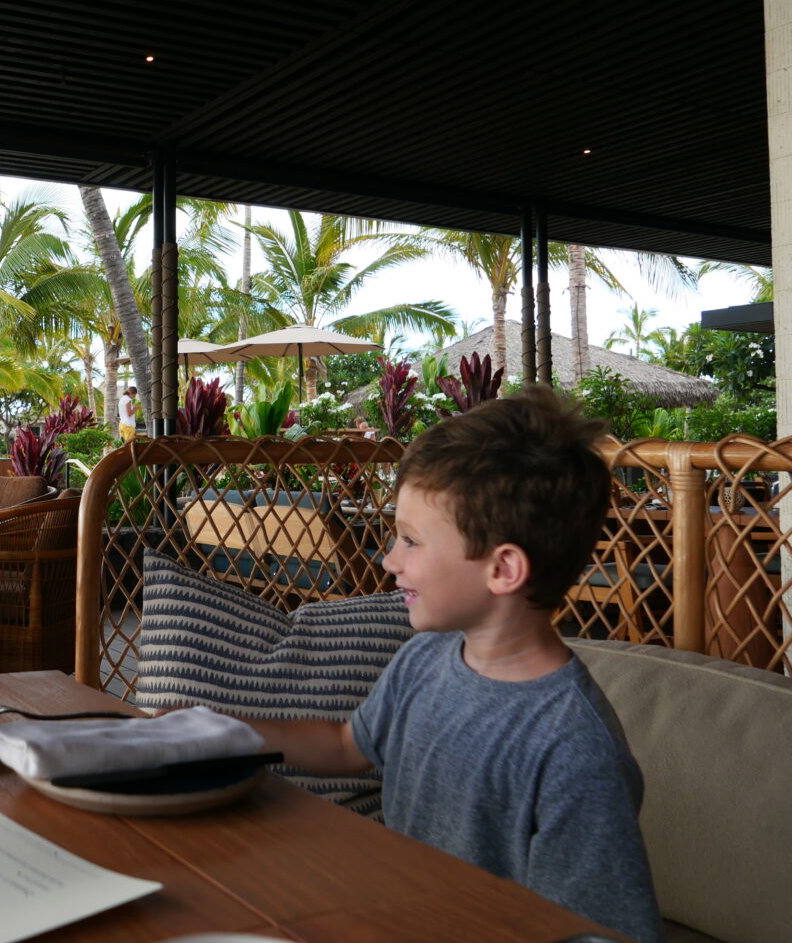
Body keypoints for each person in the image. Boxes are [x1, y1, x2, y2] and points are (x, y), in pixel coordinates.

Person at [238, 387, 662, 942]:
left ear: (503, 569)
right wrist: (231, 733)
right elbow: (348, 745)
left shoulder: (575, 751)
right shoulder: (426, 657)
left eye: (411, 541)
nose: (388, 560)